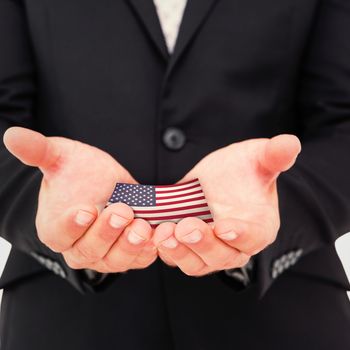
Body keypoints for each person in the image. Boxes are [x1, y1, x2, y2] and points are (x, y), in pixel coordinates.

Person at [0, 0, 350, 349]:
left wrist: (275, 207)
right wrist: (51, 209)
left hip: (284, 314)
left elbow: (343, 124)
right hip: (63, 319)